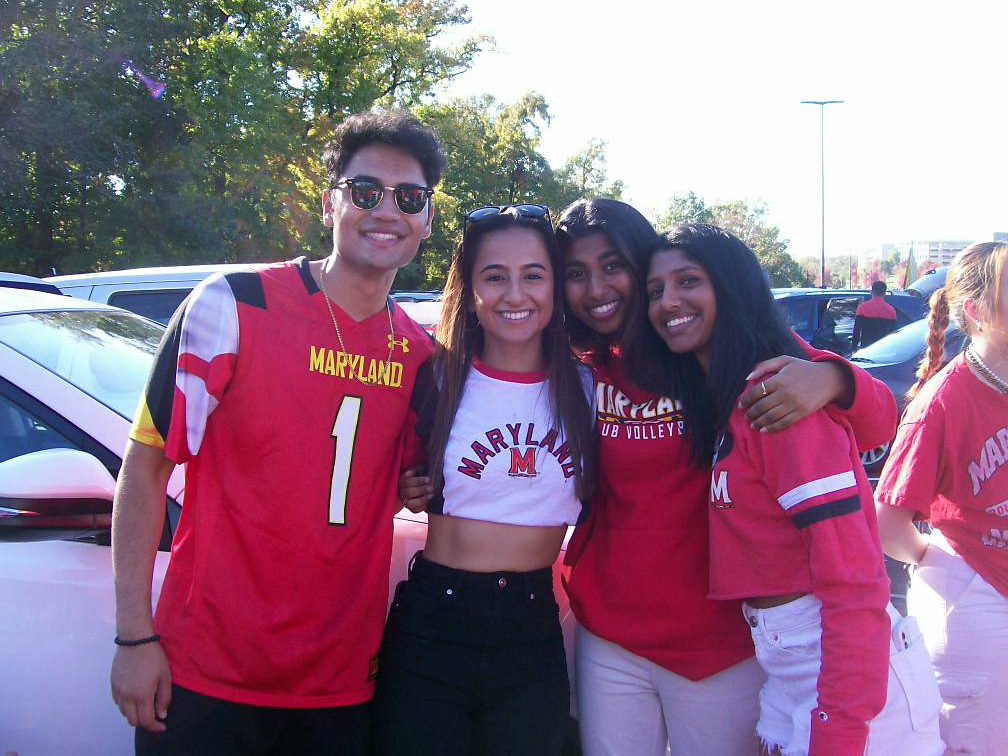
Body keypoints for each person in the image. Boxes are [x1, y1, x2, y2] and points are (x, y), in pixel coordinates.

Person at [109, 110, 444, 755]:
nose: (387, 212)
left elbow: (392, 485)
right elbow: (144, 468)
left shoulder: (419, 354)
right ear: (330, 203)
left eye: (410, 199)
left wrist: (414, 485)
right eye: (366, 192)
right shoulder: (233, 304)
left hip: (341, 684)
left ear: (426, 219)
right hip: (207, 671)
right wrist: (133, 637)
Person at [554, 198, 901, 756]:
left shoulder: (721, 358)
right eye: (576, 273)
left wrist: (834, 378)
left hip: (723, 646)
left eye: (614, 265)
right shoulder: (583, 368)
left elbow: (880, 419)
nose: (597, 288)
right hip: (609, 635)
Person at [638, 223, 942, 756]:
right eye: (656, 290)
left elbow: (855, 582)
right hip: (784, 665)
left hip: (847, 671)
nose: (668, 301)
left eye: (688, 280)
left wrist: (841, 728)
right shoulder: (726, 392)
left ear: (732, 287)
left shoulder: (778, 401)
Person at [375, 204, 595, 756]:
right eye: (494, 277)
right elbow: (377, 466)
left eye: (533, 275)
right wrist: (409, 485)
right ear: (469, 289)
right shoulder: (434, 375)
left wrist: (834, 377)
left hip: (531, 626)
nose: (514, 295)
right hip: (434, 622)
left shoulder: (591, 387)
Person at [876, 242, 1008, 754]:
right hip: (974, 599)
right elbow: (887, 522)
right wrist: (938, 561)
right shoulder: (944, 400)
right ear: (977, 312)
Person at [853, 280, 899, 349]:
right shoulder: (891, 310)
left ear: (872, 291)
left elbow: (856, 330)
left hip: (866, 348)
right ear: (884, 293)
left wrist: (854, 347)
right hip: (884, 348)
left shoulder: (862, 307)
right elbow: (893, 334)